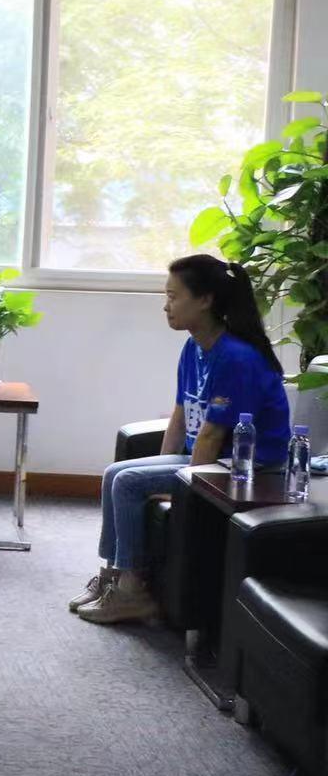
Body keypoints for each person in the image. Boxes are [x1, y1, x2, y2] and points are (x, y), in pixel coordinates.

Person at [73, 254, 292, 626]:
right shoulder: (194, 347)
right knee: (116, 474)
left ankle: (132, 593)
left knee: (128, 482)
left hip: (248, 470)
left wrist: (181, 490)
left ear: (205, 300)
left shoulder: (236, 358)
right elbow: (180, 414)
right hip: (212, 461)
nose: (166, 306)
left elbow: (211, 435)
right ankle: (113, 576)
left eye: (173, 297)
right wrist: (159, 471)